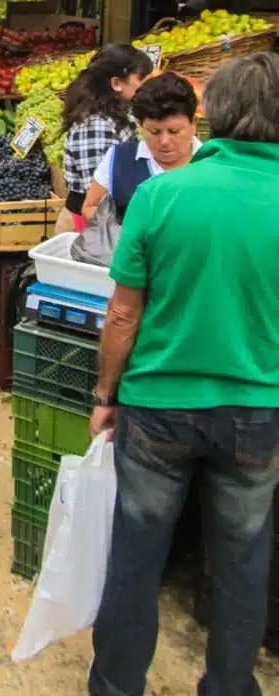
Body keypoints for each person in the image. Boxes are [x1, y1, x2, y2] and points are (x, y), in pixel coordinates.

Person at [87, 52, 279, 696]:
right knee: (243, 563)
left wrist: (105, 393)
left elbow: (121, 315)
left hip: (159, 406)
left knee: (137, 556)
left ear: (213, 114)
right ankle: (230, 685)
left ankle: (117, 686)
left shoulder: (164, 193)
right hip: (257, 413)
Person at [55, 44, 154, 234]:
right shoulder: (94, 126)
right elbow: (98, 196)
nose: (146, 85)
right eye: (141, 78)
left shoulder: (120, 113)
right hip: (91, 229)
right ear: (116, 83)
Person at [82, 72, 201, 222]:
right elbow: (89, 207)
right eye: (154, 132)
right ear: (141, 126)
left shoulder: (212, 163)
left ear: (194, 124)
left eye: (174, 131)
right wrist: (124, 232)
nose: (164, 141)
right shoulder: (119, 159)